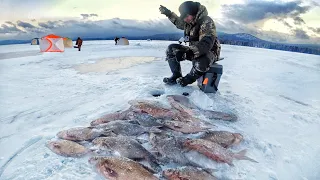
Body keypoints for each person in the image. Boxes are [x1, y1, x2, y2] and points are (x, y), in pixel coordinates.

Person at [159, 1, 221, 87]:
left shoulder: (207, 21)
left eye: (186, 16)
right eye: (184, 17)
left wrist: (188, 52)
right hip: (193, 49)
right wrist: (169, 14)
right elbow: (178, 22)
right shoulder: (189, 22)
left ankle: (187, 79)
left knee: (201, 61)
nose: (185, 19)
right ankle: (176, 75)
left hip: (210, 51)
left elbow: (206, 44)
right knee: (171, 49)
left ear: (193, 13)